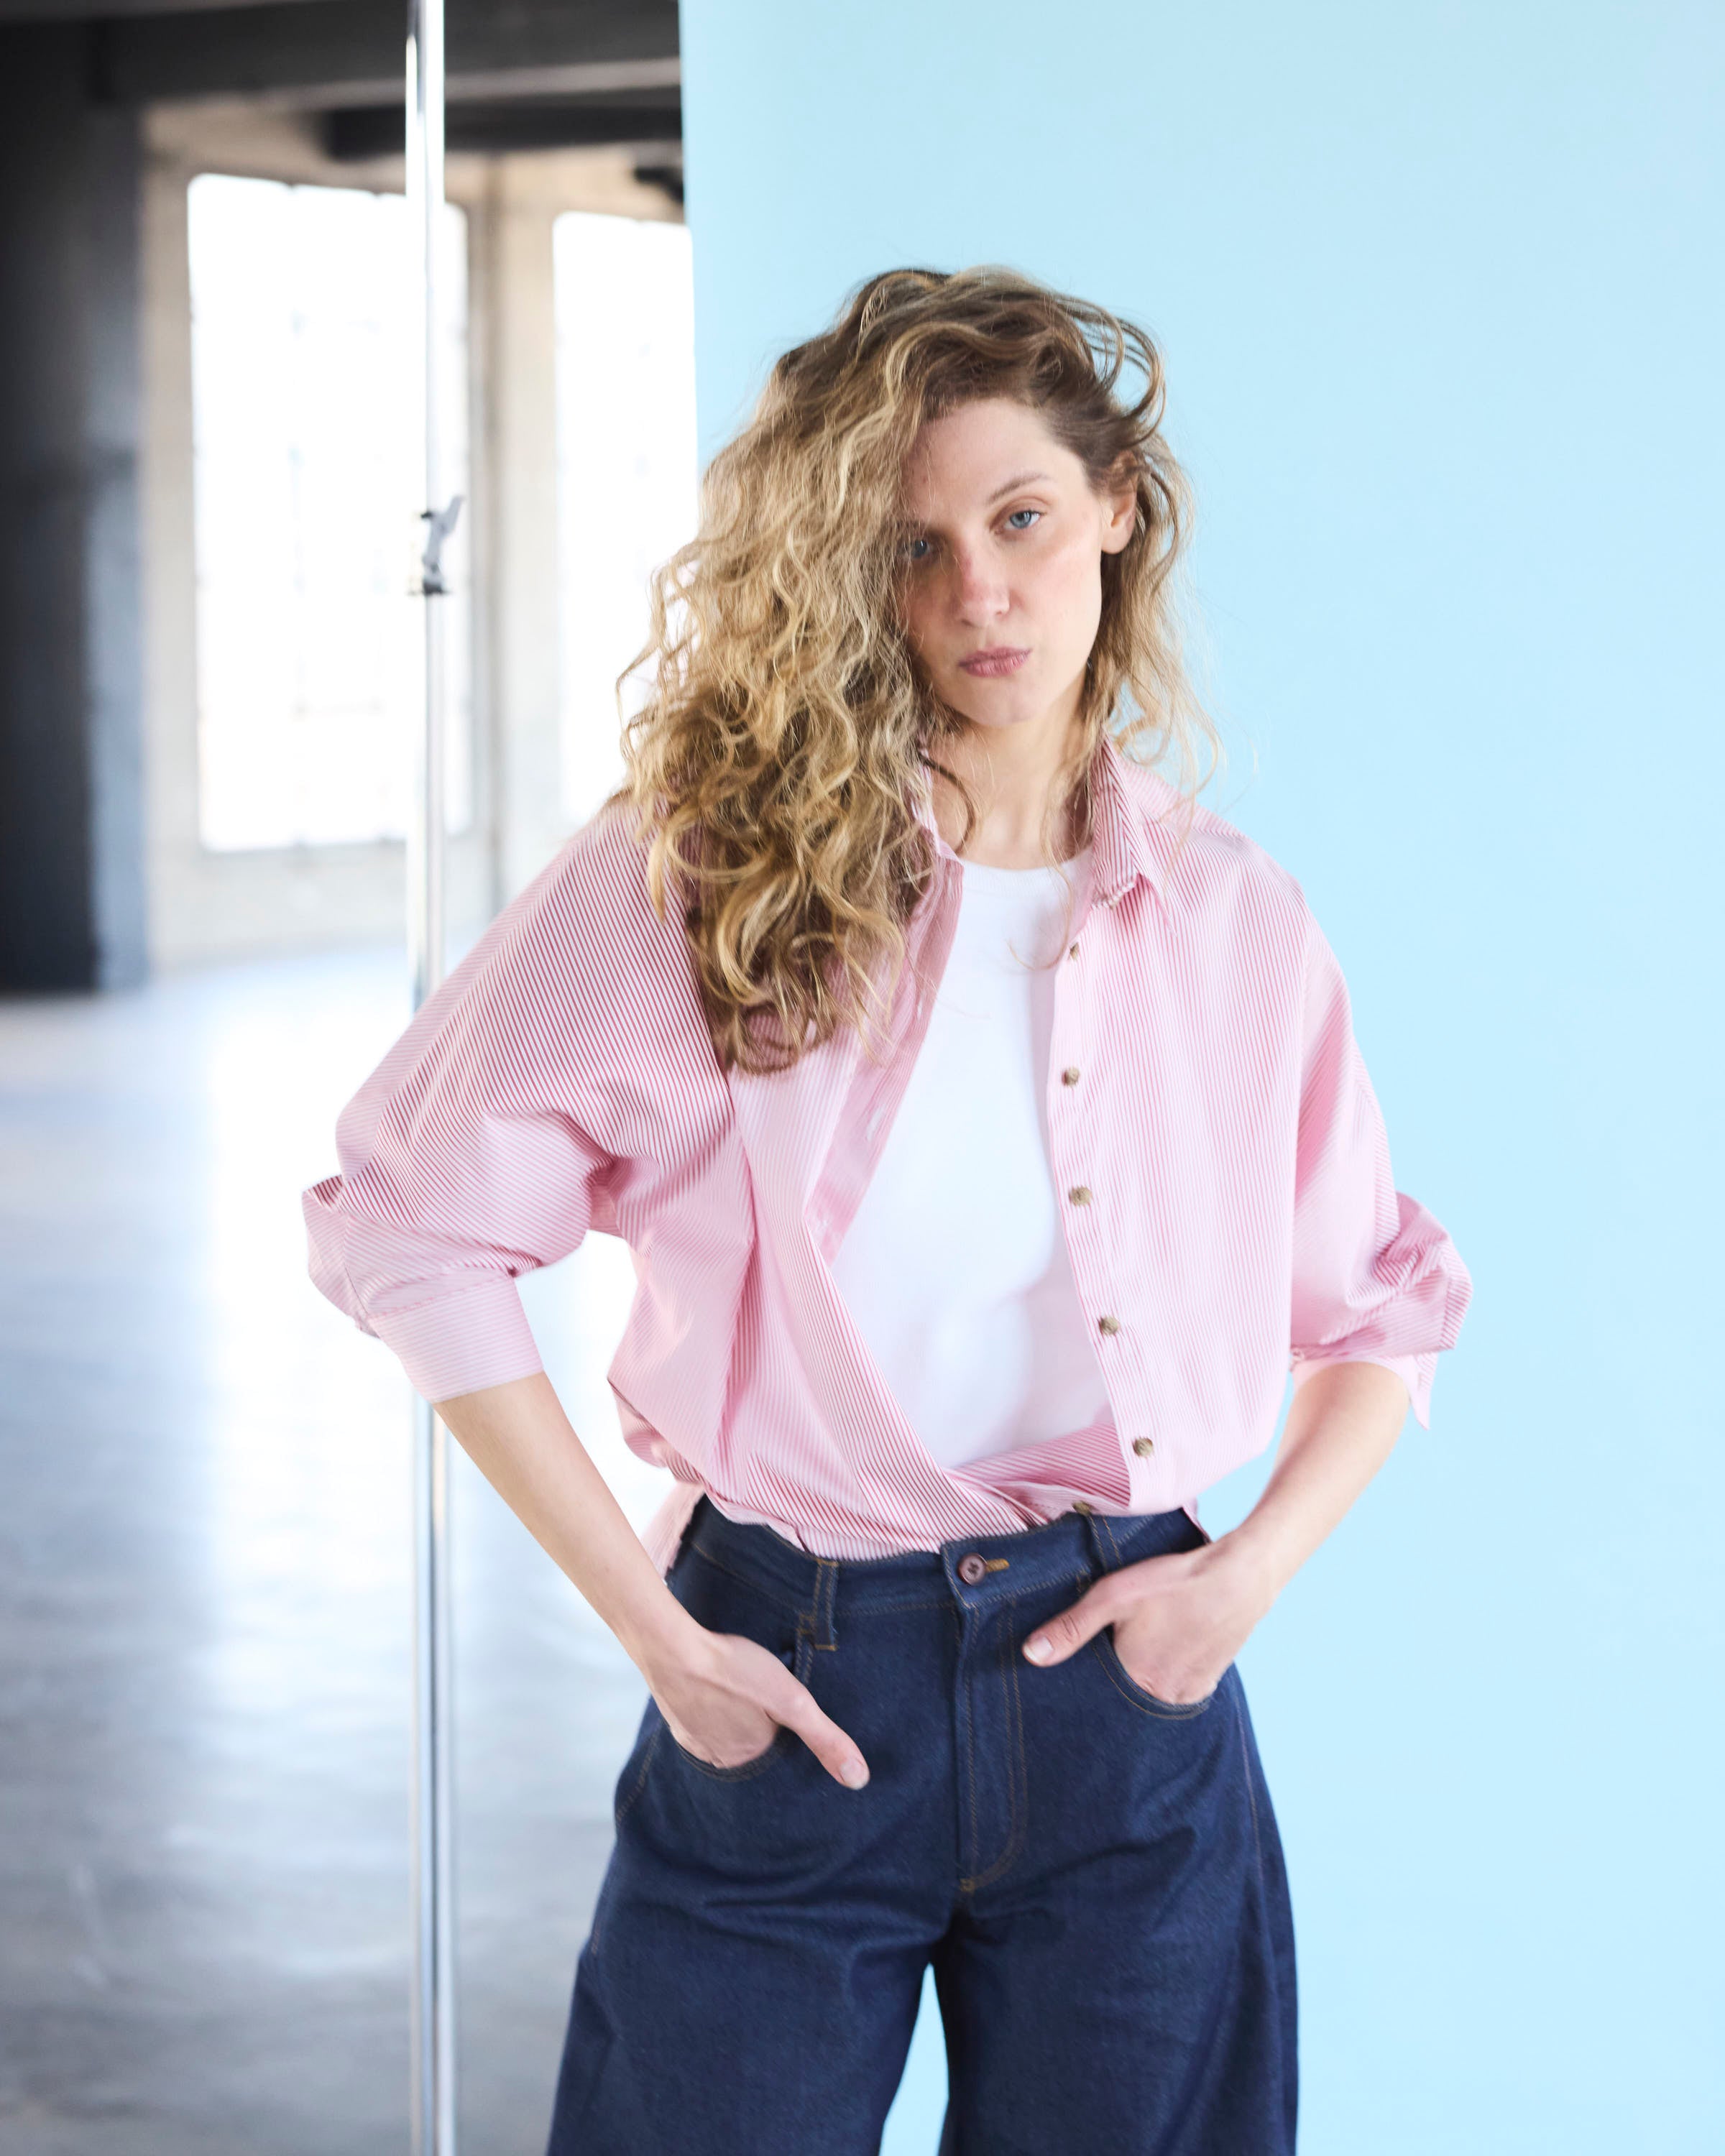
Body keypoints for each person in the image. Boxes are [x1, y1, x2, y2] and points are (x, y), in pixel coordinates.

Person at [303, 266, 1471, 2155]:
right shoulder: (707, 873)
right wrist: (654, 1634)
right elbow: (405, 1217)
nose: (976, 594)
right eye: (913, 547)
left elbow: (1385, 1305)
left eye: (1020, 520)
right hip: (787, 1688)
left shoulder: (1242, 925)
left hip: (1127, 1706)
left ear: (1116, 510)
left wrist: (1241, 1582)